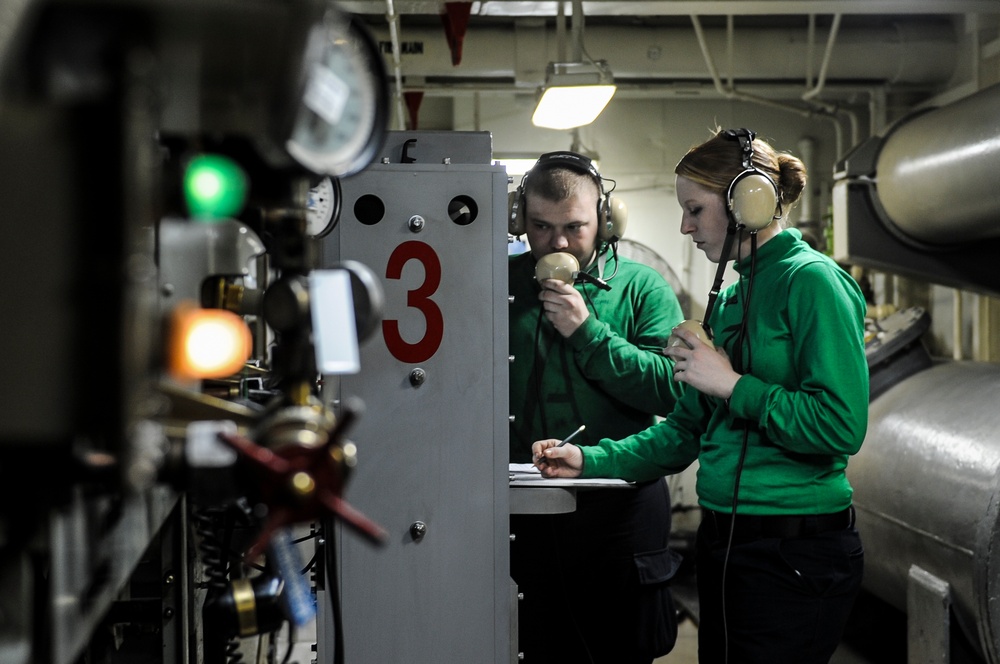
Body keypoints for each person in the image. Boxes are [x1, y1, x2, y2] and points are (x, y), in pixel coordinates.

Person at [533, 129, 869, 664]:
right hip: (728, 542)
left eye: (694, 209)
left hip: (794, 552)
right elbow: (684, 430)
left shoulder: (813, 283)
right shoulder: (732, 297)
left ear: (748, 202)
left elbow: (840, 426)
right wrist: (588, 459)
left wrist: (732, 384)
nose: (685, 226)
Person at [508, 151, 686, 663]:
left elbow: (670, 389)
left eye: (575, 227)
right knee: (532, 644)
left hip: (620, 507)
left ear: (605, 221)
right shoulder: (498, 284)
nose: (559, 242)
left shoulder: (641, 287)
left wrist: (588, 333)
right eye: (541, 226)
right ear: (520, 220)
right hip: (525, 505)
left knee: (620, 646)